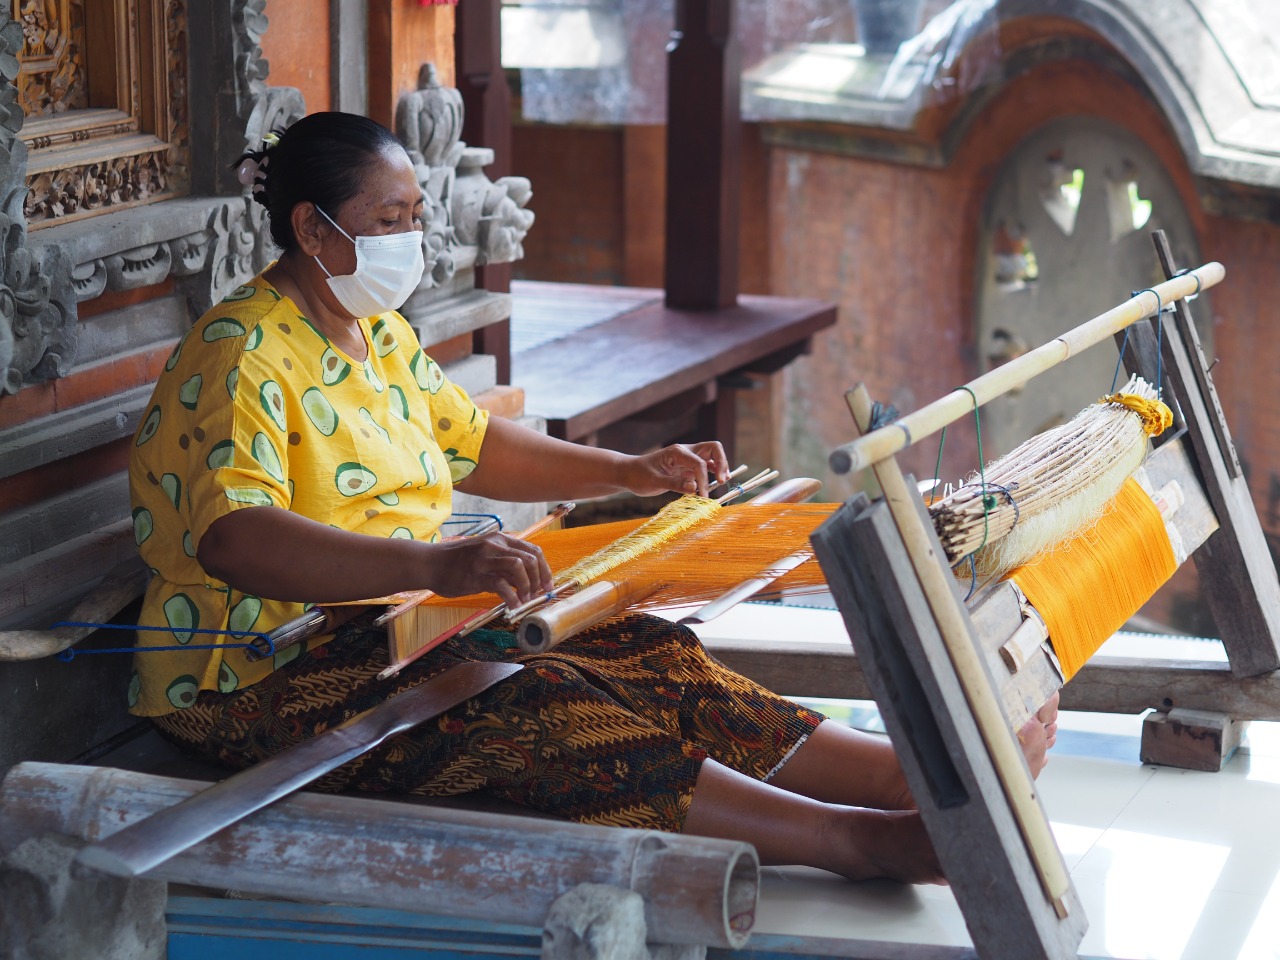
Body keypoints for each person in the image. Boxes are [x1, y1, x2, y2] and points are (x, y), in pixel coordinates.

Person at [129, 111, 1058, 886]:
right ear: (311, 228)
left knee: (633, 644)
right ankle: (853, 843)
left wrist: (626, 472)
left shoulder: (376, 333)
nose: (413, 235)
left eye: (417, 211)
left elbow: (474, 441)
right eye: (390, 216)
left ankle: (897, 778)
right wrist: (436, 562)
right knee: (531, 697)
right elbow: (234, 540)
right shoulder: (243, 354)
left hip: (398, 619)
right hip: (256, 675)